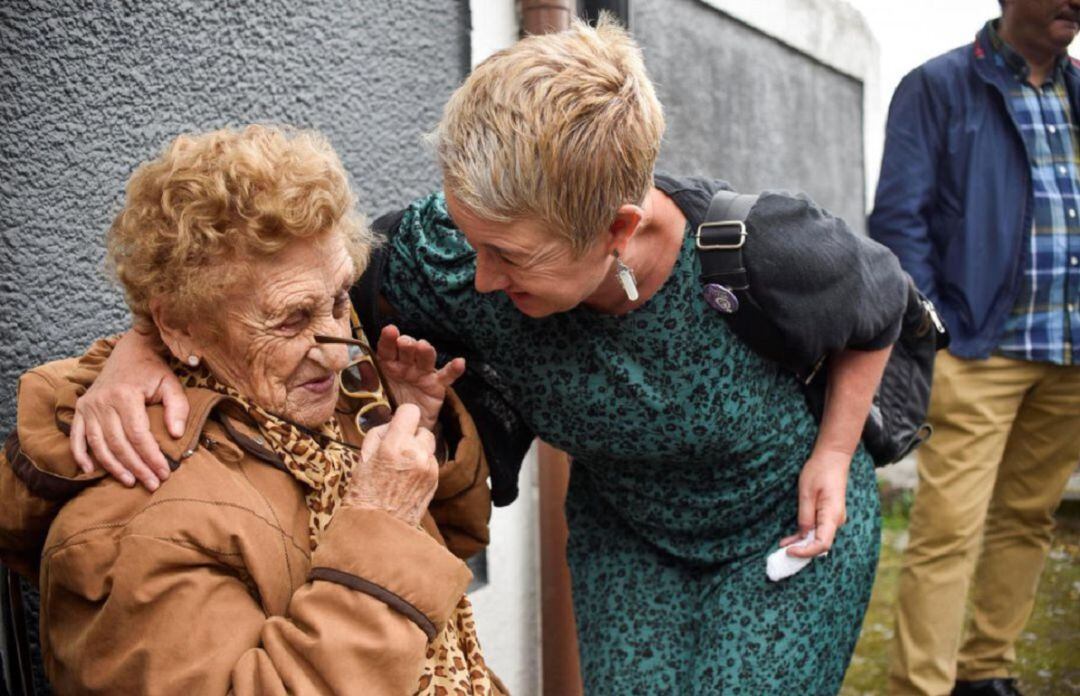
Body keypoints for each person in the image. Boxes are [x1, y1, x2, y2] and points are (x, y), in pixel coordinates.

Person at [67, 19, 908, 694]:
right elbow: (248, 284)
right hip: (629, 530)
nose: (477, 276)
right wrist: (140, 343)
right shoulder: (447, 250)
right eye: (471, 239)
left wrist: (833, 454)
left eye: (510, 256)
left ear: (617, 229)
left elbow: (881, 307)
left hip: (783, 515)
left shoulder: (765, 250)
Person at [0, 125, 502, 695]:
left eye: (340, 299)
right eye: (291, 319)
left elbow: (443, 567)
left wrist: (416, 433)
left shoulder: (301, 407)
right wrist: (382, 522)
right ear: (179, 324)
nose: (336, 347)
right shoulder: (134, 523)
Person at [869, 1, 1080, 694]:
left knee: (1028, 519)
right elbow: (899, 219)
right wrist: (938, 337)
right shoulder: (938, 86)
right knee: (947, 529)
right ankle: (921, 687)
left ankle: (987, 672)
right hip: (979, 352)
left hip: (1070, 352)